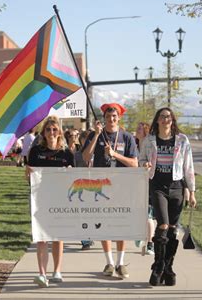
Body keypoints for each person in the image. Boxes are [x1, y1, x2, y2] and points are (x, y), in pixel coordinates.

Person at [139, 107, 197, 286]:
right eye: (163, 117)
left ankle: (168, 267)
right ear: (157, 120)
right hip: (157, 186)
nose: (166, 120)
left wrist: (192, 191)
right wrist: (145, 164)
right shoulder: (149, 140)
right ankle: (158, 266)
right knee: (162, 225)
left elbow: (189, 167)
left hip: (176, 187)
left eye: (169, 117)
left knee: (173, 229)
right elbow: (141, 160)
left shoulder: (182, 140)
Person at [82, 103, 138, 279]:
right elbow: (85, 157)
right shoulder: (95, 134)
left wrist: (115, 155)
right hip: (100, 186)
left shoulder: (127, 137)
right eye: (108, 117)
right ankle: (109, 262)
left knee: (121, 224)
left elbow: (135, 164)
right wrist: (97, 134)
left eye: (114, 116)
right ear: (104, 118)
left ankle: (121, 263)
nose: (111, 119)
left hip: (121, 186)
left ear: (119, 118)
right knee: (103, 224)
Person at [25, 115, 75, 288]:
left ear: (59, 132)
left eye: (54, 129)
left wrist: (69, 172)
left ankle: (57, 270)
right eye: (48, 129)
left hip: (60, 199)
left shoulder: (67, 154)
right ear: (43, 132)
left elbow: (73, 181)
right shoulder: (36, 152)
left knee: (57, 236)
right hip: (40, 198)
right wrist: (29, 172)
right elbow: (27, 177)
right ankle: (42, 274)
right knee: (41, 237)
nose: (51, 132)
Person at [134, 122, 155, 256]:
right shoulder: (134, 144)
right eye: (137, 128)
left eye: (140, 128)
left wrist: (148, 166)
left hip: (149, 182)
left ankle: (150, 244)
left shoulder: (150, 145)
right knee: (138, 213)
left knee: (148, 214)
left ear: (146, 131)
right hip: (135, 183)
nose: (137, 130)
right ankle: (139, 234)